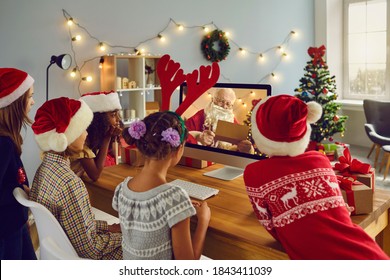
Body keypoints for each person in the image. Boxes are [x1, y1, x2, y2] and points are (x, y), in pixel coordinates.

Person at [244, 94, 389, 259]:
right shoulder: (321, 160)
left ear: (259, 133)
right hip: (366, 253)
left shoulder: (254, 173)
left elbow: (271, 227)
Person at [29, 97, 122, 260]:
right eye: (82, 129)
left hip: (63, 247)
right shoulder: (70, 183)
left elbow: (73, 223)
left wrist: (107, 226)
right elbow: (91, 249)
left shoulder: (44, 169)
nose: (86, 133)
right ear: (66, 136)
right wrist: (128, 239)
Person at [112, 111, 211, 260]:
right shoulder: (174, 197)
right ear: (179, 149)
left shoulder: (122, 189)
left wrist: (178, 207)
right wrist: (203, 220)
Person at [0, 68, 37, 260]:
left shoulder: (7, 139)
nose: (33, 101)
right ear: (13, 103)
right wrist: (19, 191)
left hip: (15, 225)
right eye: (30, 96)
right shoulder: (3, 143)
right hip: (6, 230)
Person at [70, 91, 123, 181]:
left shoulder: (93, 135)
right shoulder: (79, 140)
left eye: (117, 114)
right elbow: (95, 175)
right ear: (98, 119)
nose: (118, 119)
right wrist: (107, 137)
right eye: (113, 115)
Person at [185, 88, 253, 153]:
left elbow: (243, 146)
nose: (224, 106)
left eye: (228, 104)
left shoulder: (232, 120)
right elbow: (181, 136)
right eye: (221, 101)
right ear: (212, 100)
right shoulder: (199, 116)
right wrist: (198, 137)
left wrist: (246, 148)